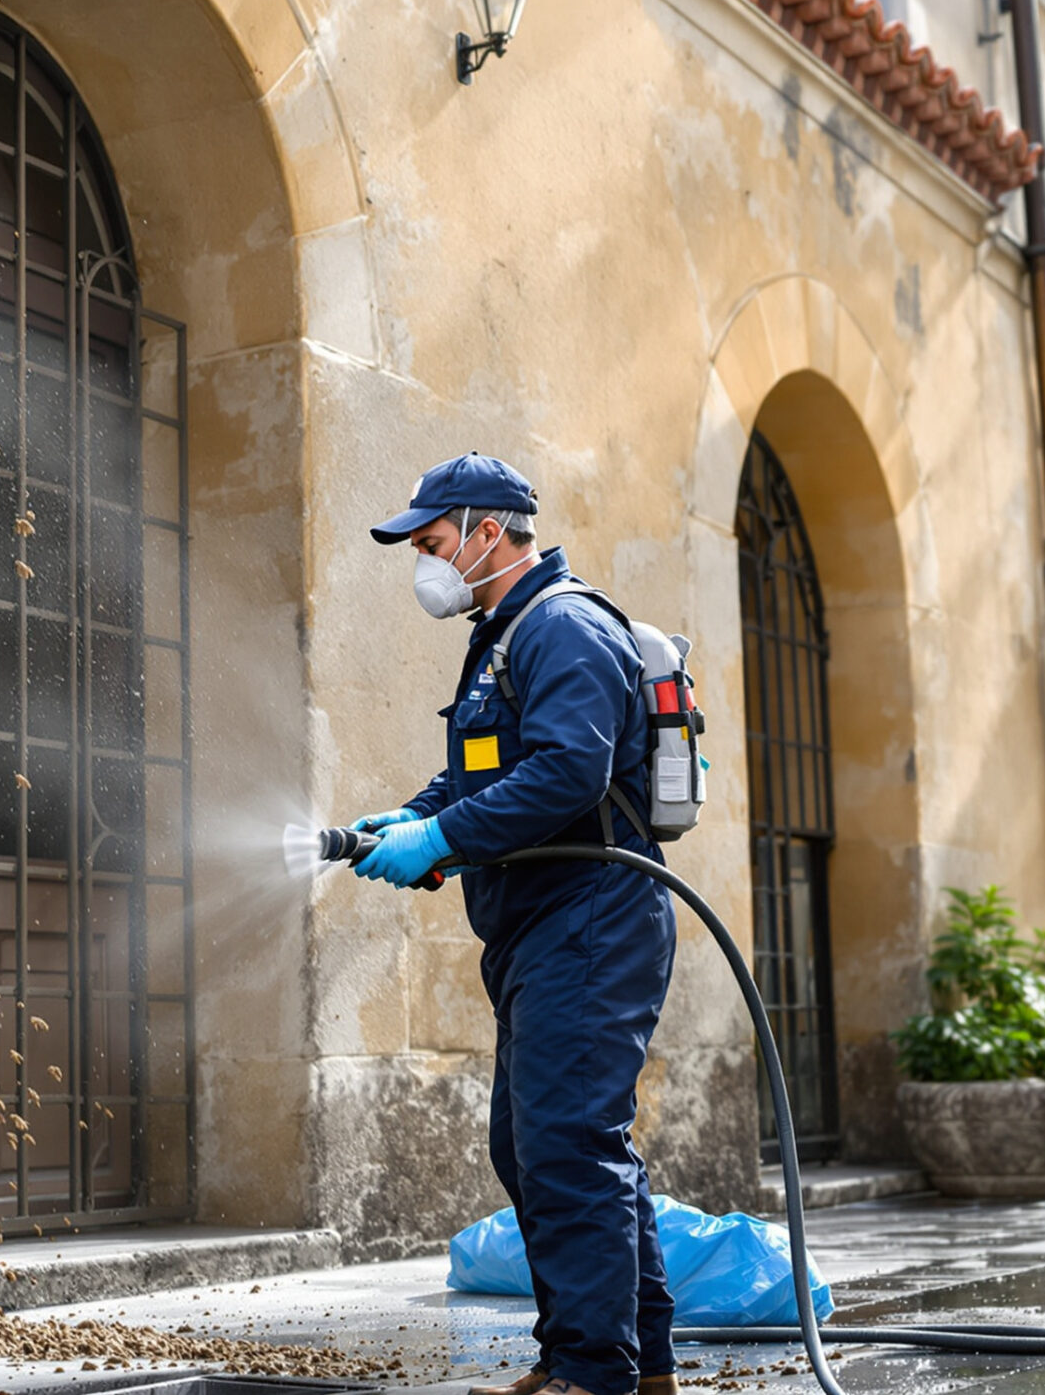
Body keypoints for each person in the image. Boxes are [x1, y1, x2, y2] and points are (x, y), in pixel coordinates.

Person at [356, 453, 679, 1395]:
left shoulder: (564, 626)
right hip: (542, 925)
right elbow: (487, 774)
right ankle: (635, 1363)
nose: (425, 560)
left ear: (489, 529)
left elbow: (568, 772)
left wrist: (442, 837)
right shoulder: (503, 636)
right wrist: (416, 821)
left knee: (567, 1143)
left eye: (433, 540)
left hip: (593, 916)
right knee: (546, 1143)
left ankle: (592, 1371)